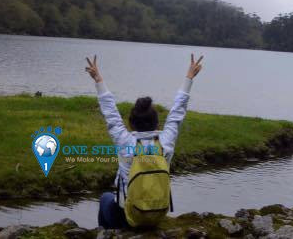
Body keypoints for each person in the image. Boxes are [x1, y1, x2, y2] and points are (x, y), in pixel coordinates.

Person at [85, 53, 204, 229]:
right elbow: (177, 112)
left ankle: (107, 234)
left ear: (131, 124)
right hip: (157, 215)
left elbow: (110, 112)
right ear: (157, 123)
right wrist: (189, 77)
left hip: (126, 217)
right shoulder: (165, 143)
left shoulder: (126, 143)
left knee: (105, 198)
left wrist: (98, 78)